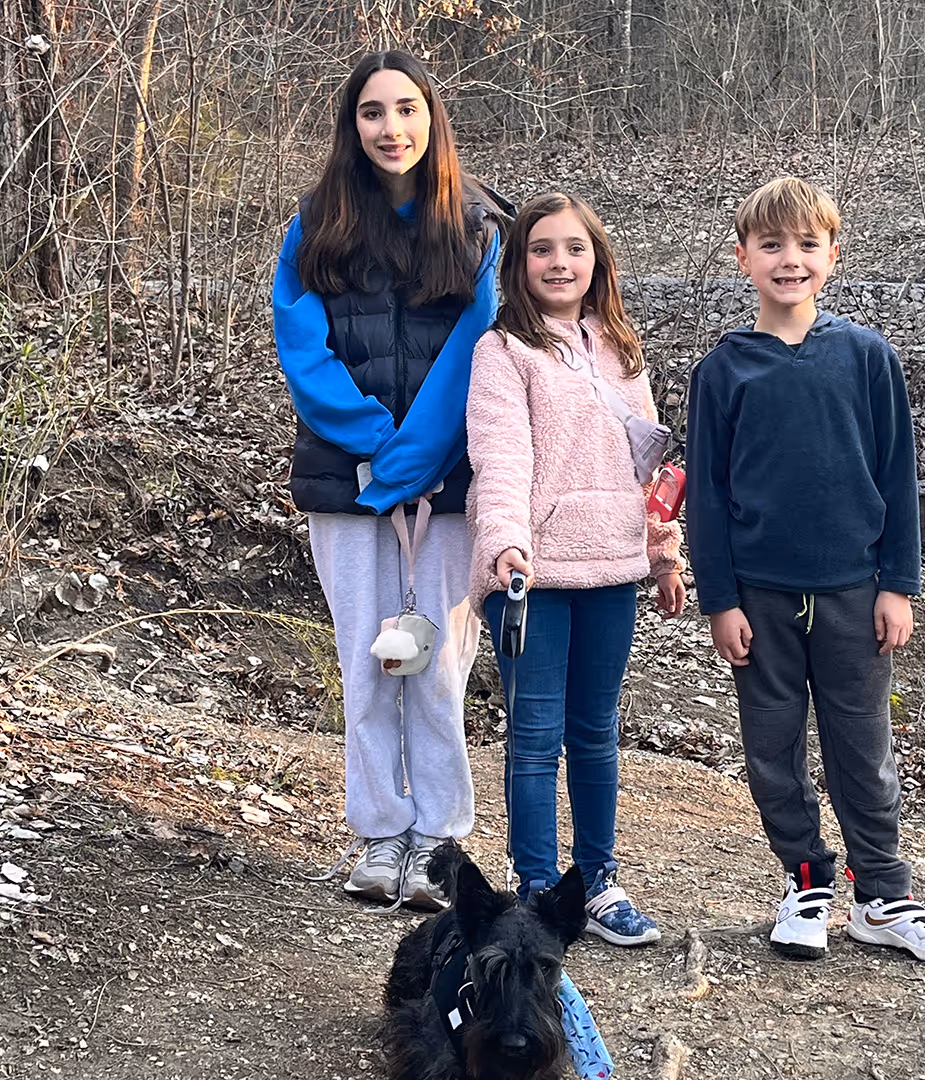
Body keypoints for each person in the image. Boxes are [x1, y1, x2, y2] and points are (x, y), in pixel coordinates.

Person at [685, 176, 925, 964]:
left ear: (833, 256)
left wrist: (899, 583)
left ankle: (883, 895)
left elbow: (896, 474)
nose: (790, 260)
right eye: (772, 245)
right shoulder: (723, 372)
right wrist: (721, 600)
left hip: (854, 594)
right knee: (772, 748)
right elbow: (706, 498)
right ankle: (807, 877)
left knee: (862, 747)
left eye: (807, 245)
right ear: (743, 258)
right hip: (761, 600)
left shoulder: (867, 357)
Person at [272, 50, 507, 911]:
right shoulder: (316, 223)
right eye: (373, 113)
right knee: (368, 663)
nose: (391, 128)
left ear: (432, 118)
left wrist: (417, 454)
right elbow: (300, 344)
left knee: (439, 663)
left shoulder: (479, 225)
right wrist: (374, 443)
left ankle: (439, 838)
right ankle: (377, 833)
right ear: (352, 125)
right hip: (347, 478)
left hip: (446, 478)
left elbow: (482, 345)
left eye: (406, 110)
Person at [466, 192, 686, 947]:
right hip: (534, 573)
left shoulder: (623, 349)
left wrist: (662, 555)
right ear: (519, 264)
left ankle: (597, 880)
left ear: (598, 261)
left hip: (614, 567)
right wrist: (504, 540)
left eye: (574, 249)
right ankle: (534, 889)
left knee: (595, 732)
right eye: (541, 249)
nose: (559, 263)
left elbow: (646, 467)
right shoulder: (502, 351)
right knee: (534, 734)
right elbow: (499, 456)